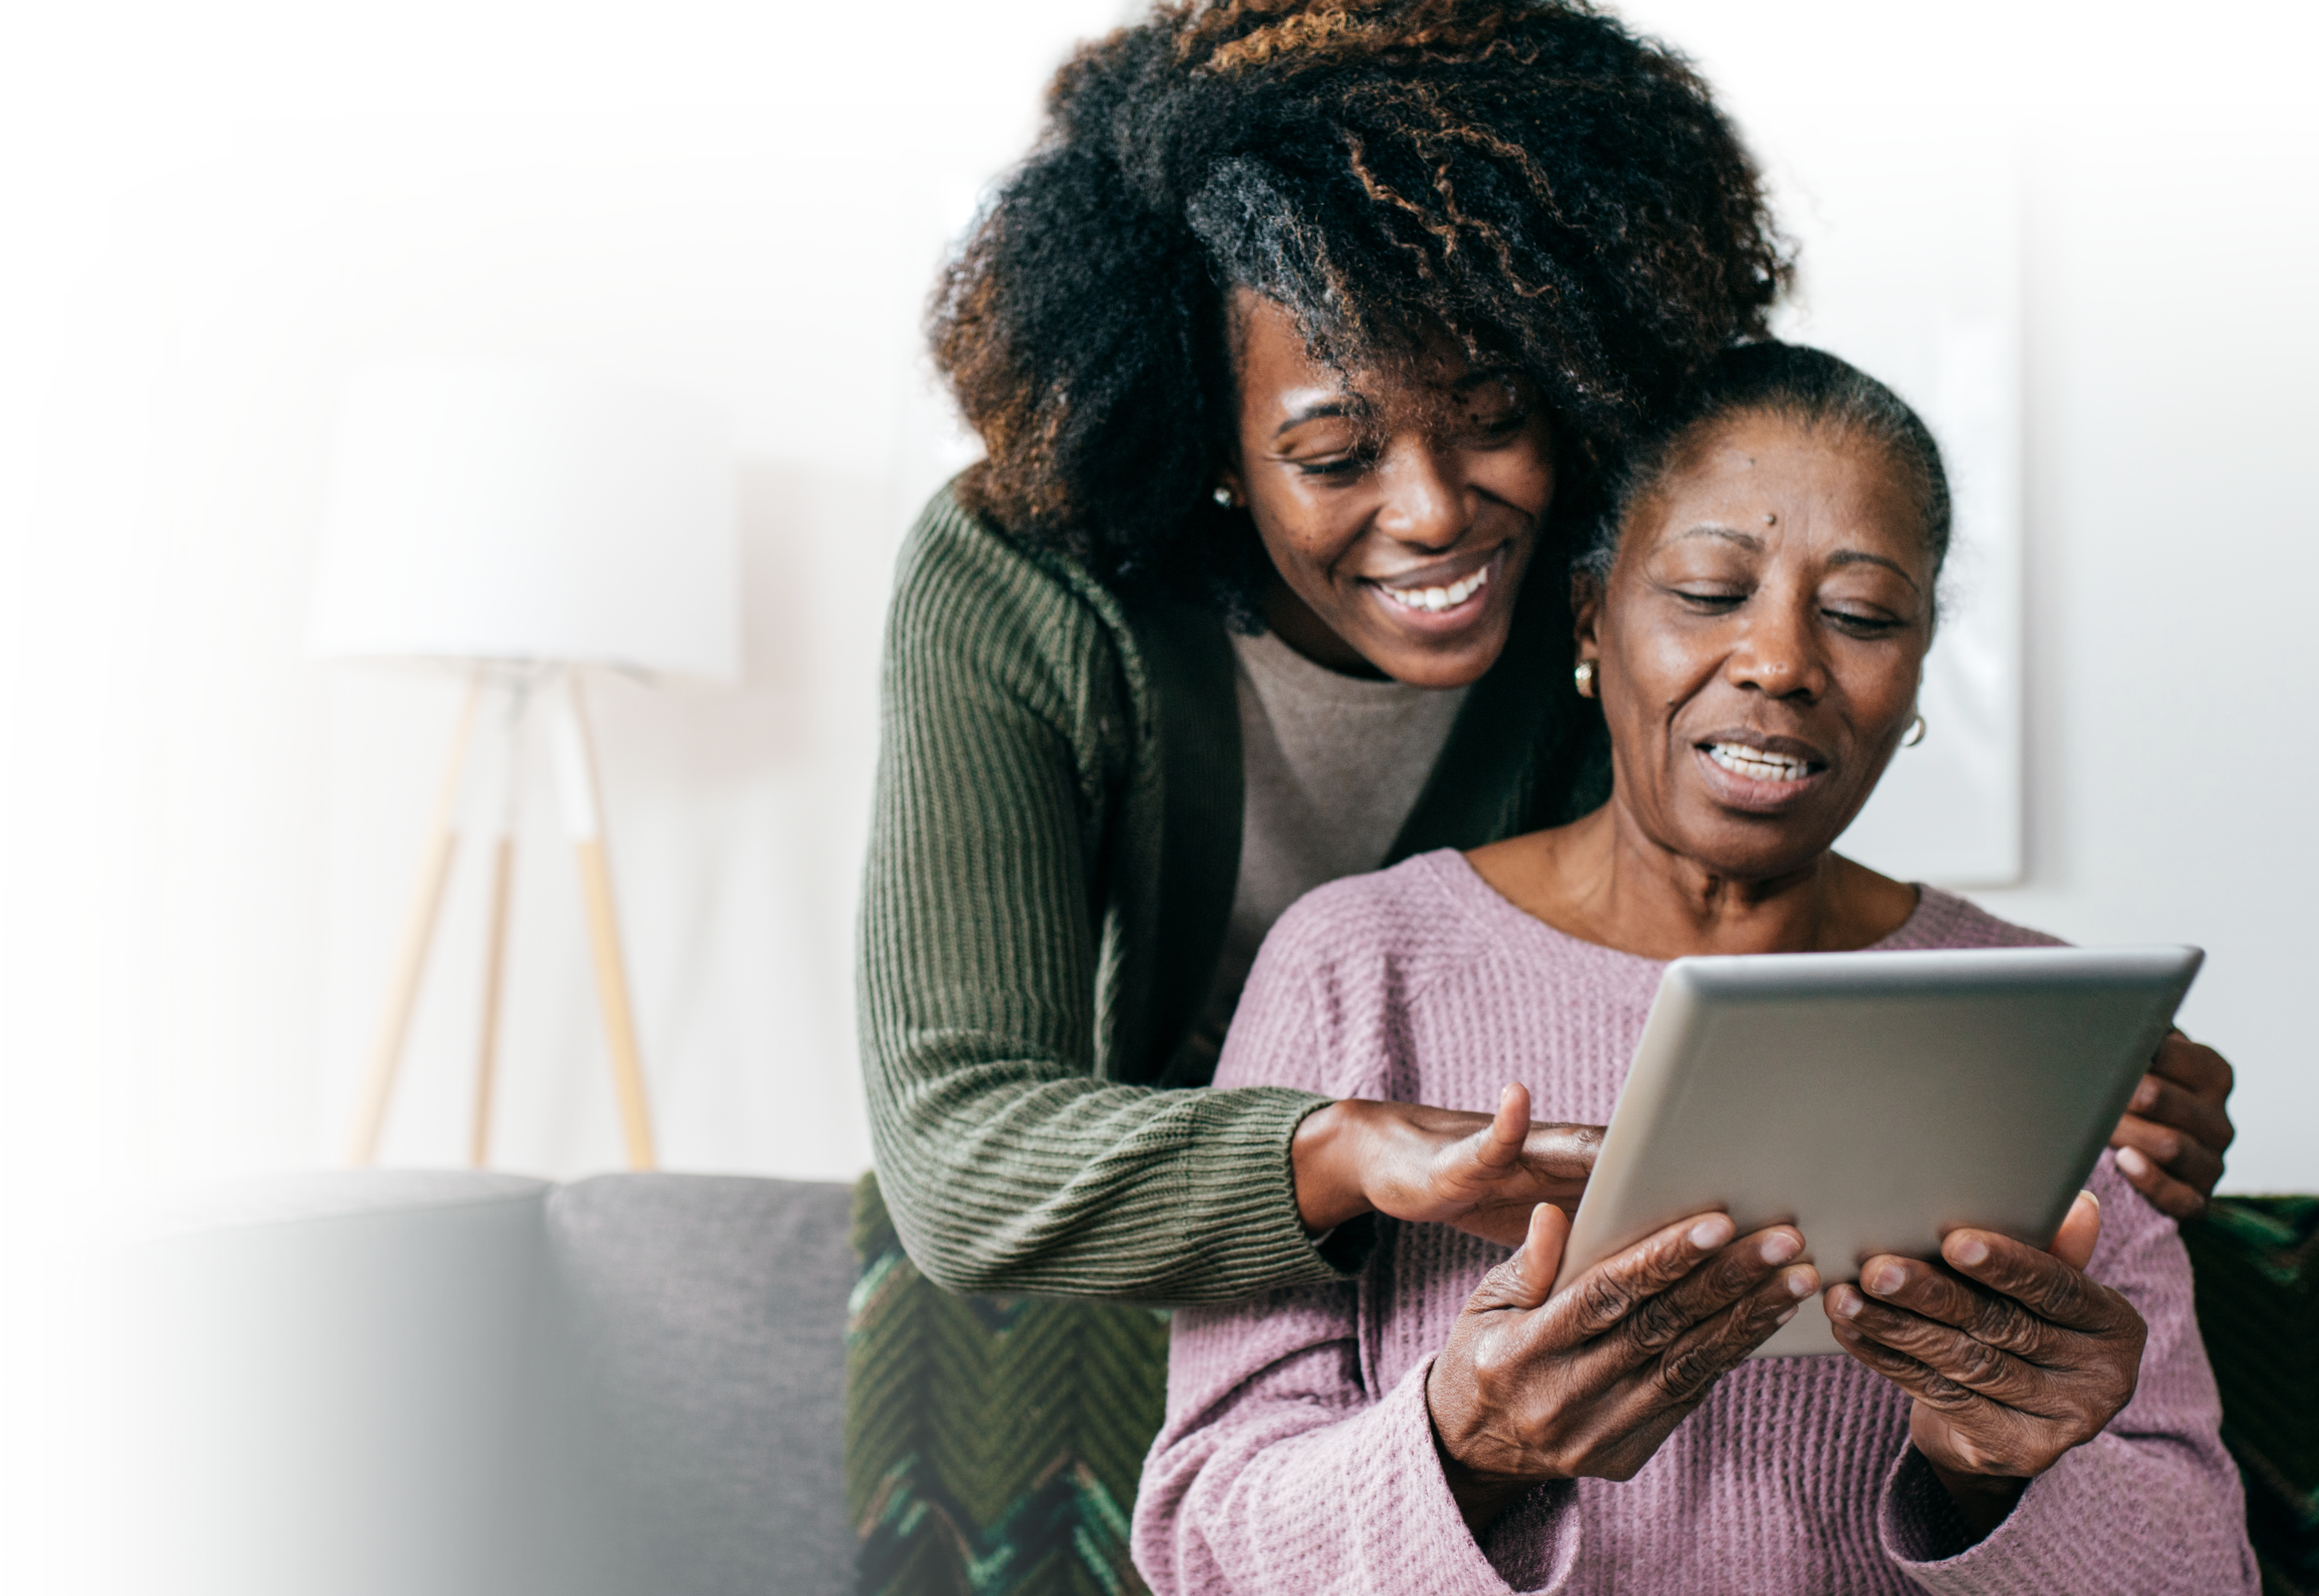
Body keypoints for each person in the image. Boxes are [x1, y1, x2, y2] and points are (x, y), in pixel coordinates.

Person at [859, 0, 2235, 1311]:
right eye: (1336, 456)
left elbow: (1704, 949)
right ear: (1212, 442)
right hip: (1135, 1286)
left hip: (1479, 1288)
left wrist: (2055, 1087)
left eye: (1491, 417)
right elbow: (957, 1162)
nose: (1435, 511)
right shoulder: (1020, 580)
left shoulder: (1600, 572)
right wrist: (1341, 1154)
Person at [1132, 343, 2258, 1594]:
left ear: (1922, 669)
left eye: (1864, 616)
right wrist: (1472, 1448)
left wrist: (1995, 1480)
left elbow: (2207, 1569)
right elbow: (1200, 1546)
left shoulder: (2051, 1020)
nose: (1782, 662)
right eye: (1712, 592)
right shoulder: (1361, 964)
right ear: (1590, 617)